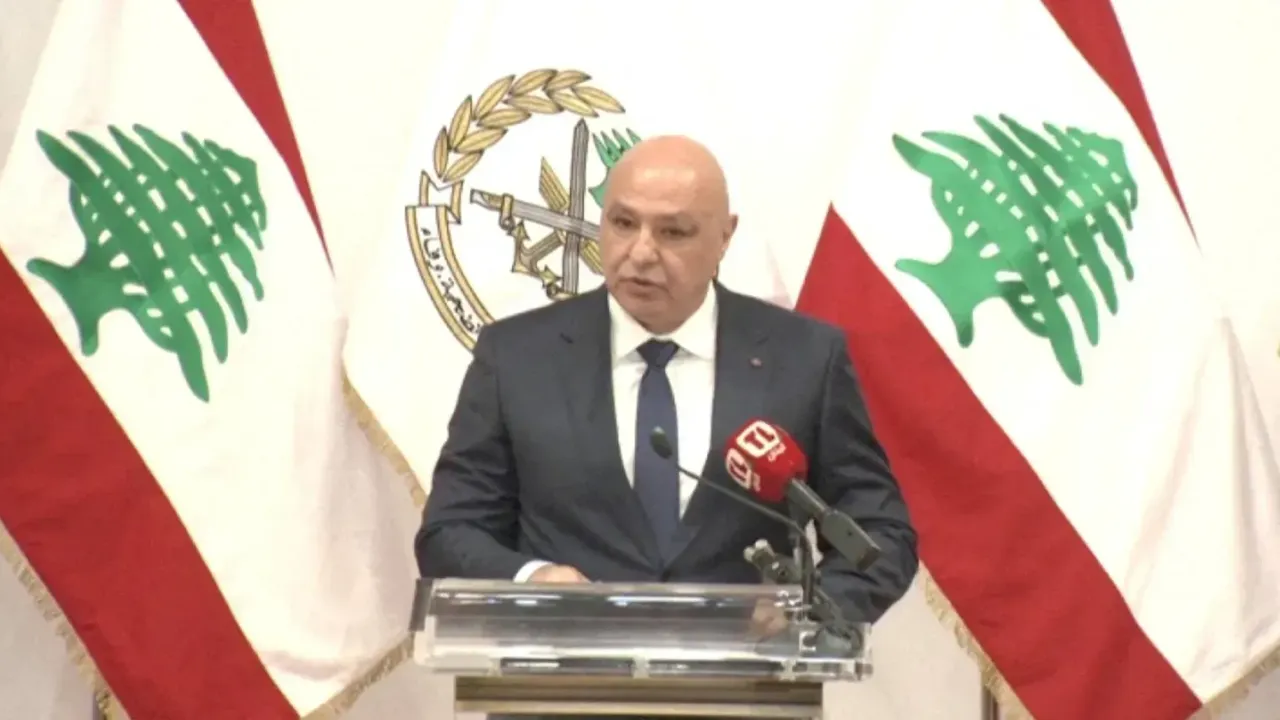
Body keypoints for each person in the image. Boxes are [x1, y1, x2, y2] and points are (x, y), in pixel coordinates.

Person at [415, 136, 918, 718]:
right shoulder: (516, 356)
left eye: (673, 232)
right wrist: (534, 578)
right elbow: (450, 531)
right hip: (560, 696)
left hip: (747, 698)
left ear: (725, 237)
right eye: (622, 223)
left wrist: (812, 611)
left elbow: (880, 532)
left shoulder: (804, 357)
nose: (640, 252)